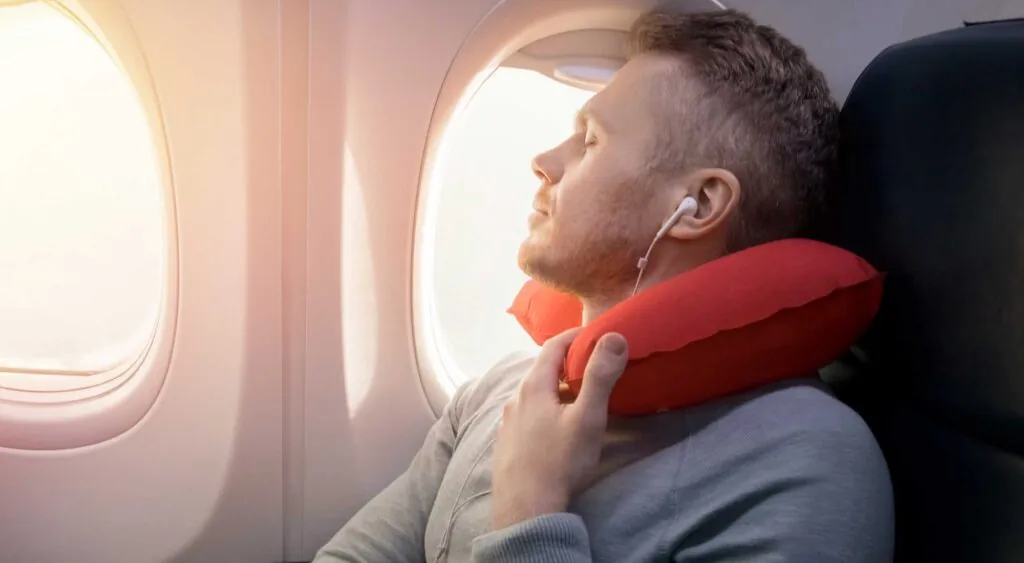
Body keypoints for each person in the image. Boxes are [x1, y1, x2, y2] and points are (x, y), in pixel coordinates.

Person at [315, 8, 893, 562]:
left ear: (698, 205)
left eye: (590, 140)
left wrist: (529, 513)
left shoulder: (803, 458)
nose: (544, 160)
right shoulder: (505, 389)